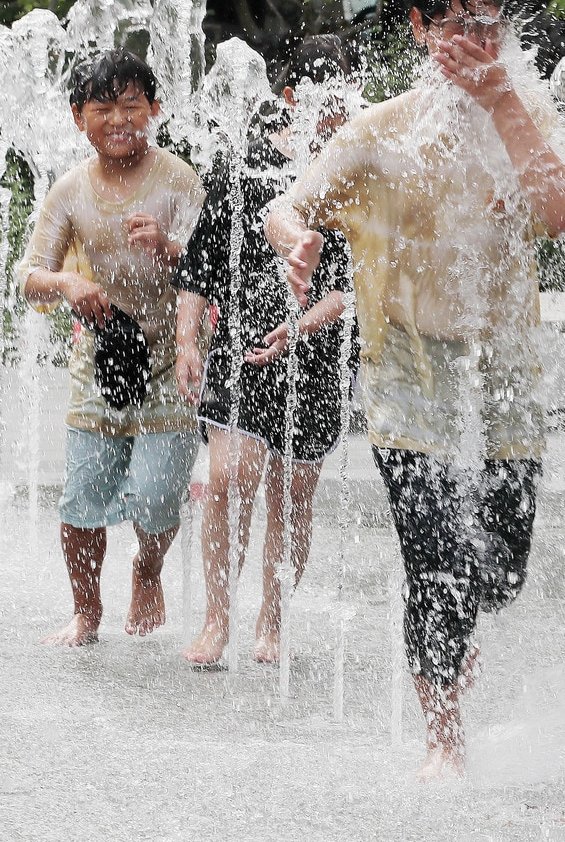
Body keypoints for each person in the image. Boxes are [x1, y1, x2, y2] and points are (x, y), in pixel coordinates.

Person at [264, 0, 565, 780]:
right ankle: (442, 735)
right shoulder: (380, 134)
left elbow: (560, 210)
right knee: (437, 556)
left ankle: (452, 634)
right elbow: (288, 203)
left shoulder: (533, 114)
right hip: (406, 374)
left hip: (505, 375)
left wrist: (502, 103)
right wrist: (296, 241)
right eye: (457, 22)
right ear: (418, 28)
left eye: (490, 22)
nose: (477, 40)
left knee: (501, 571)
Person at [173, 36, 355, 666]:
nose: (333, 113)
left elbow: (351, 291)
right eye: (320, 99)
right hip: (241, 349)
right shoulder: (243, 169)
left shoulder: (355, 179)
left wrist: (300, 327)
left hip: (317, 355)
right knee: (225, 478)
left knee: (292, 491)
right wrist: (186, 339)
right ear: (289, 98)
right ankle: (216, 619)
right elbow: (198, 268)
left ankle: (271, 621)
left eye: (342, 99)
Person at [18, 49, 205, 646]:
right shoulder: (70, 191)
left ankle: (147, 569)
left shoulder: (178, 179)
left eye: (132, 105)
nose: (119, 119)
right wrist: (69, 282)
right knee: (82, 499)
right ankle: (85, 612)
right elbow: (28, 279)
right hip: (99, 359)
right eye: (104, 108)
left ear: (155, 108)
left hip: (171, 355)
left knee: (157, 495)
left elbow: (214, 268)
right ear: (79, 117)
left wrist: (171, 247)